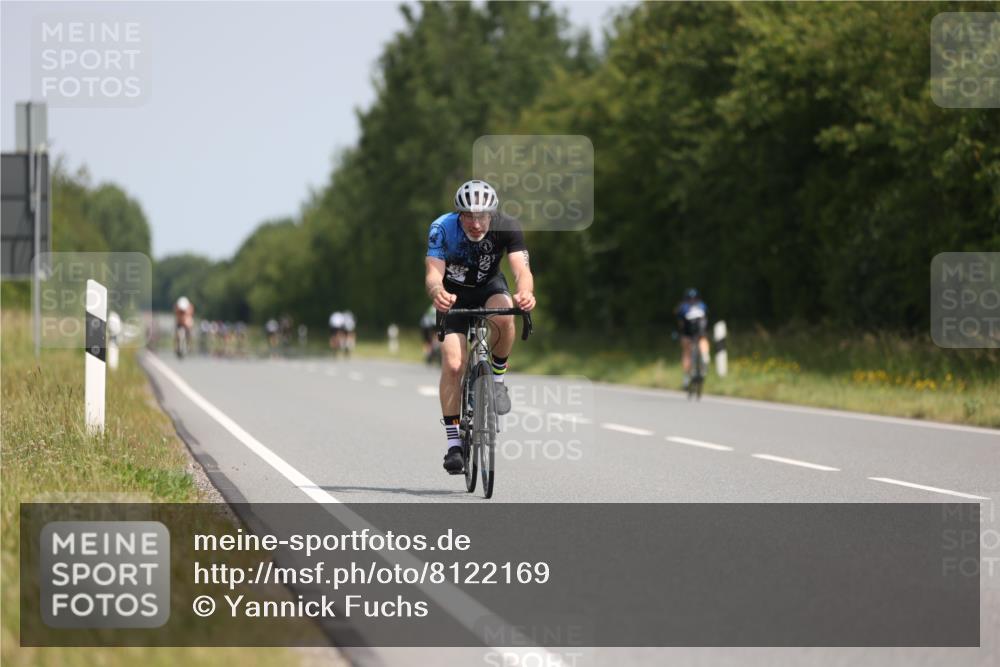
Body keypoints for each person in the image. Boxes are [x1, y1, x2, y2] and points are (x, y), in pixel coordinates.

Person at [425, 179, 536, 474]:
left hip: (489, 287)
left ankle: (497, 381)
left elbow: (522, 270)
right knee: (452, 364)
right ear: (459, 215)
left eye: (482, 216)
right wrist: (437, 292)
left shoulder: (507, 225)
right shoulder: (442, 228)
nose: (476, 223)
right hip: (453, 295)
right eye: (469, 216)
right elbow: (433, 274)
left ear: (492, 214)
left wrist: (525, 293)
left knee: (503, 316)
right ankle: (453, 445)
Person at [675, 288, 710, 389]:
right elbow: (706, 320)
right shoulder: (702, 305)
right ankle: (705, 360)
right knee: (703, 343)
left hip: (688, 334)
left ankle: (686, 378)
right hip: (700, 333)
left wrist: (680, 334)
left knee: (686, 353)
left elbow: (680, 324)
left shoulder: (682, 307)